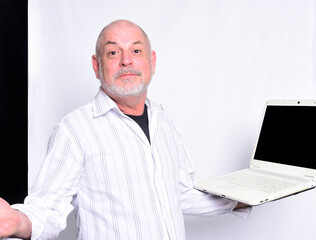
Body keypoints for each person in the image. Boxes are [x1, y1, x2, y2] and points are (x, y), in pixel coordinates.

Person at [0, 20, 250, 239]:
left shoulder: (163, 122)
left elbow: (180, 193)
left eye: (136, 50)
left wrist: (244, 198)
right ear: (97, 66)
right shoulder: (74, 130)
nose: (126, 60)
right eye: (112, 53)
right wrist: (18, 222)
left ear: (151, 61)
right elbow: (47, 209)